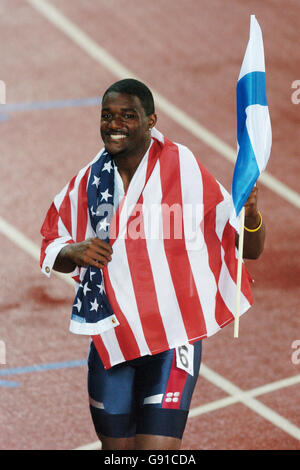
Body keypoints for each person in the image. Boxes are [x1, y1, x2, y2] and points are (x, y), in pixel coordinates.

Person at [40, 79, 265, 450]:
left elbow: (249, 249)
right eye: (107, 116)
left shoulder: (183, 167)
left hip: (173, 339)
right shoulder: (89, 181)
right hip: (113, 340)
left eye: (128, 116)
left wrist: (252, 215)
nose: (115, 124)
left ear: (151, 121)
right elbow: (53, 243)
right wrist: (73, 252)